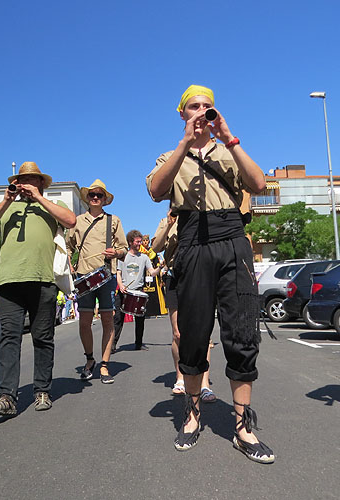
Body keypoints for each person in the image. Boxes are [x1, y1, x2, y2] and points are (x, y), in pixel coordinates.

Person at [147, 84, 274, 463]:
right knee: (193, 334)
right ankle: (191, 415)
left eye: (207, 106)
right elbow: (156, 189)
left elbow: (259, 184)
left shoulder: (229, 149)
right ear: (182, 113)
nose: (201, 112)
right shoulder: (171, 155)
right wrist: (186, 144)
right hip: (191, 241)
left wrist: (229, 137)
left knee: (241, 332)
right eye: (194, 106)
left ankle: (242, 426)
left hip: (232, 238)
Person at [0, 162, 76, 416]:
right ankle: (7, 397)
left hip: (43, 279)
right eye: (21, 180)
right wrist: (6, 201)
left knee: (42, 338)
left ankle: (42, 390)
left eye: (31, 179)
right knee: (9, 339)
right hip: (9, 282)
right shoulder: (7, 207)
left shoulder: (51, 205)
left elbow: (70, 220)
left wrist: (39, 198)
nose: (25, 184)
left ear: (41, 183)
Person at [66, 179, 127, 384]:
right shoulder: (77, 221)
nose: (95, 198)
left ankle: (105, 364)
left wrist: (115, 253)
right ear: (87, 198)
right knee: (84, 321)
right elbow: (67, 247)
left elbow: (124, 249)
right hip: (84, 277)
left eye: (99, 195)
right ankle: (90, 359)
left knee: (108, 320)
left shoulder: (113, 220)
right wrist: (70, 265)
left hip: (106, 275)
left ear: (104, 199)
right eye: (92, 194)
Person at [152, 210, 216, 402]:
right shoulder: (166, 221)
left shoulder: (201, 216)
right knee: (178, 333)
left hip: (198, 274)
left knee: (203, 332)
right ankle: (180, 377)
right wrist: (169, 224)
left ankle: (204, 384)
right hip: (174, 276)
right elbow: (156, 247)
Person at [113, 230, 161, 350]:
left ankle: (138, 344)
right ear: (130, 242)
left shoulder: (144, 257)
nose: (140, 244)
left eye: (140, 241)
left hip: (138, 290)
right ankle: (112, 345)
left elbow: (152, 273)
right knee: (118, 319)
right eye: (137, 241)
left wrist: (160, 267)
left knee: (140, 319)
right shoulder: (123, 256)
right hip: (124, 291)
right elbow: (118, 273)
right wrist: (121, 285)